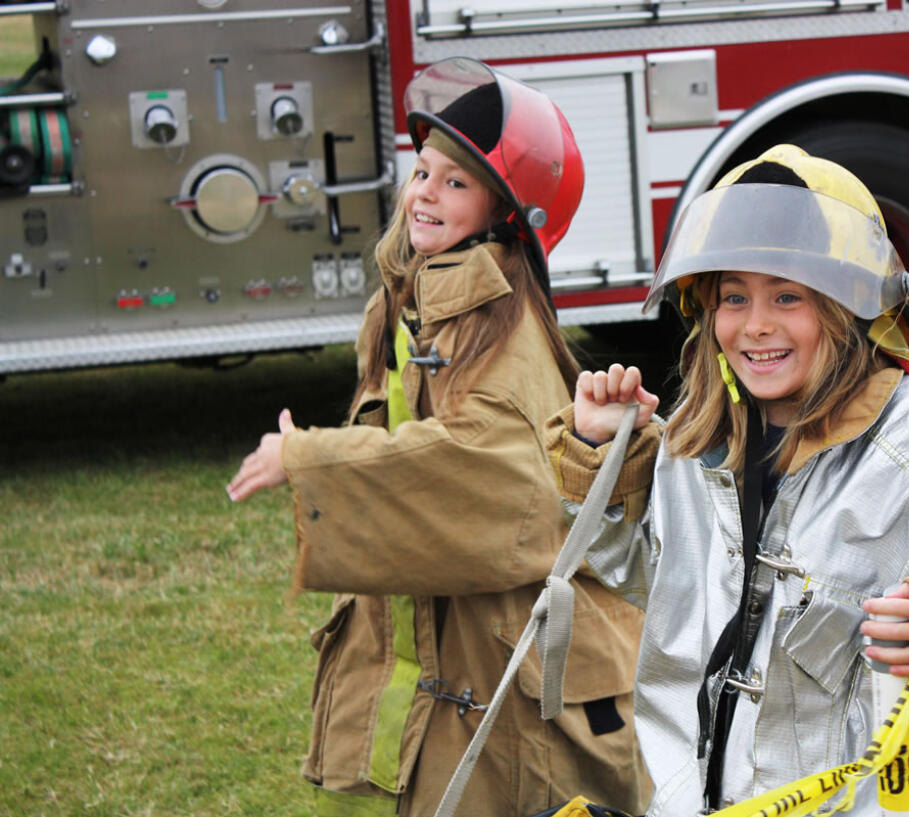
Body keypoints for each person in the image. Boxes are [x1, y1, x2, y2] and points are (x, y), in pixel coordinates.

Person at [544, 144, 909, 817]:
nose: (756, 324)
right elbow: (662, 583)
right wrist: (607, 464)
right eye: (734, 296)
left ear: (846, 306)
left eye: (788, 295)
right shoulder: (700, 433)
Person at [227, 57, 651, 817]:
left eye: (455, 183)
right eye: (423, 172)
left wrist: (307, 457)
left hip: (504, 656)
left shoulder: (503, 330)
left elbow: (481, 471)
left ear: (504, 213)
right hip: (443, 634)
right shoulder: (415, 295)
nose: (424, 193)